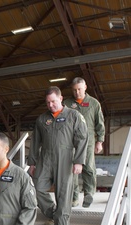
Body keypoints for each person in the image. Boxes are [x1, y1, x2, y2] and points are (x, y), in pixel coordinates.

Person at [28, 86, 89, 225]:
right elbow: (35, 141)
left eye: (53, 101)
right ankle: (53, 213)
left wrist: (79, 161)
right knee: (37, 188)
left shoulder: (74, 116)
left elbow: (82, 138)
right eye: (48, 102)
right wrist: (32, 162)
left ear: (61, 99)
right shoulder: (42, 119)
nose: (50, 105)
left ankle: (62, 222)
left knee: (63, 194)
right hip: (45, 158)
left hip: (65, 158)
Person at [63, 77, 105, 208]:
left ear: (85, 87)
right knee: (72, 170)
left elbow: (100, 124)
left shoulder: (93, 103)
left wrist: (100, 141)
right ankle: (74, 197)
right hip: (70, 141)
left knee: (89, 168)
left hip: (89, 141)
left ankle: (89, 194)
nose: (77, 92)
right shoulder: (67, 104)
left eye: (79, 89)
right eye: (74, 90)